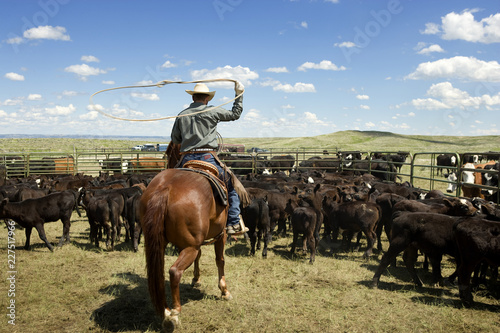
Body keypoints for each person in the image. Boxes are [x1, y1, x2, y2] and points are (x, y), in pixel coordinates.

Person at [170, 82, 249, 235]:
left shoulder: (182, 114)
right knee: (231, 185)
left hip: (186, 159)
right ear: (207, 99)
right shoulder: (213, 111)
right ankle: (233, 222)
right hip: (208, 158)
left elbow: (176, 139)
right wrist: (239, 94)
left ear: (193, 97)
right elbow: (235, 114)